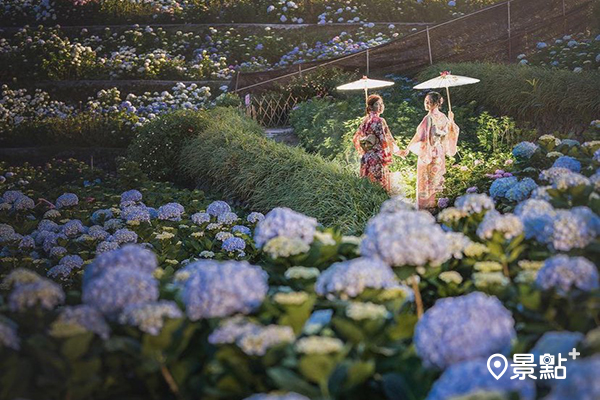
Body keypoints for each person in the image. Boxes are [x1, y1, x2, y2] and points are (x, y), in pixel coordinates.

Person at [397, 91, 459, 209]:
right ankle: (435, 206)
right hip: (439, 152)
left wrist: (408, 148)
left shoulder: (428, 118)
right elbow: (452, 132)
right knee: (434, 180)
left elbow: (419, 136)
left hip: (428, 152)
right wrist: (451, 121)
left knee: (425, 181)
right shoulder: (443, 117)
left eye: (428, 102)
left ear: (436, 103)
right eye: (425, 101)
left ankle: (424, 208)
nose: (426, 104)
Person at [352, 94, 401, 193]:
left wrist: (364, 148)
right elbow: (385, 139)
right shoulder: (379, 120)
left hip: (366, 158)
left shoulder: (365, 120)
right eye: (378, 104)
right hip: (377, 158)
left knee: (367, 187)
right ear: (370, 107)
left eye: (381, 103)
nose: (381, 106)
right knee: (379, 188)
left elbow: (356, 137)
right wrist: (389, 154)